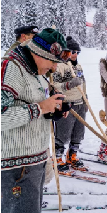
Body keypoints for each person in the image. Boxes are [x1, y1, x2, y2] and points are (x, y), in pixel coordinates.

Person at [1, 28, 69, 213]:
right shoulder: (10, 67)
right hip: (17, 168)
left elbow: (35, 102)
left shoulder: (35, 71)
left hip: (35, 162)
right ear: (38, 53)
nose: (55, 68)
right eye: (53, 62)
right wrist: (40, 108)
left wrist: (52, 108)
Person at [52, 36, 88, 172]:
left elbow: (83, 84)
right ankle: (57, 157)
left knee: (78, 132)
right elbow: (54, 85)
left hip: (80, 103)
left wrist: (86, 100)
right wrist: (69, 84)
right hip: (67, 104)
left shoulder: (78, 66)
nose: (74, 55)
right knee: (63, 133)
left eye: (77, 52)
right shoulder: (59, 66)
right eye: (72, 52)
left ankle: (72, 155)